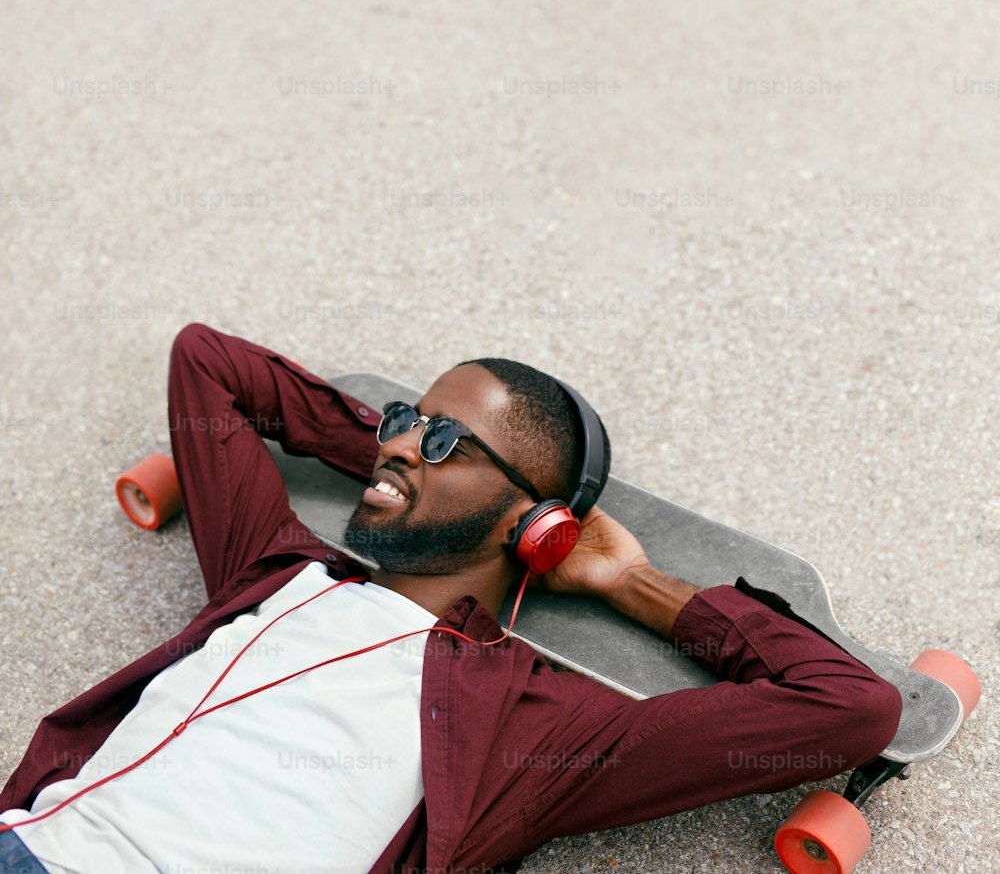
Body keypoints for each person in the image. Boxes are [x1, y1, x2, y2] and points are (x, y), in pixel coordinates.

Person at [0, 323, 902, 874]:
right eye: (406, 419)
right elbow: (211, 363)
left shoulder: (528, 725)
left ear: (536, 523)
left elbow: (849, 705)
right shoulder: (273, 567)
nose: (402, 442)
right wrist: (395, 457)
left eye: (447, 441)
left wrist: (634, 583)